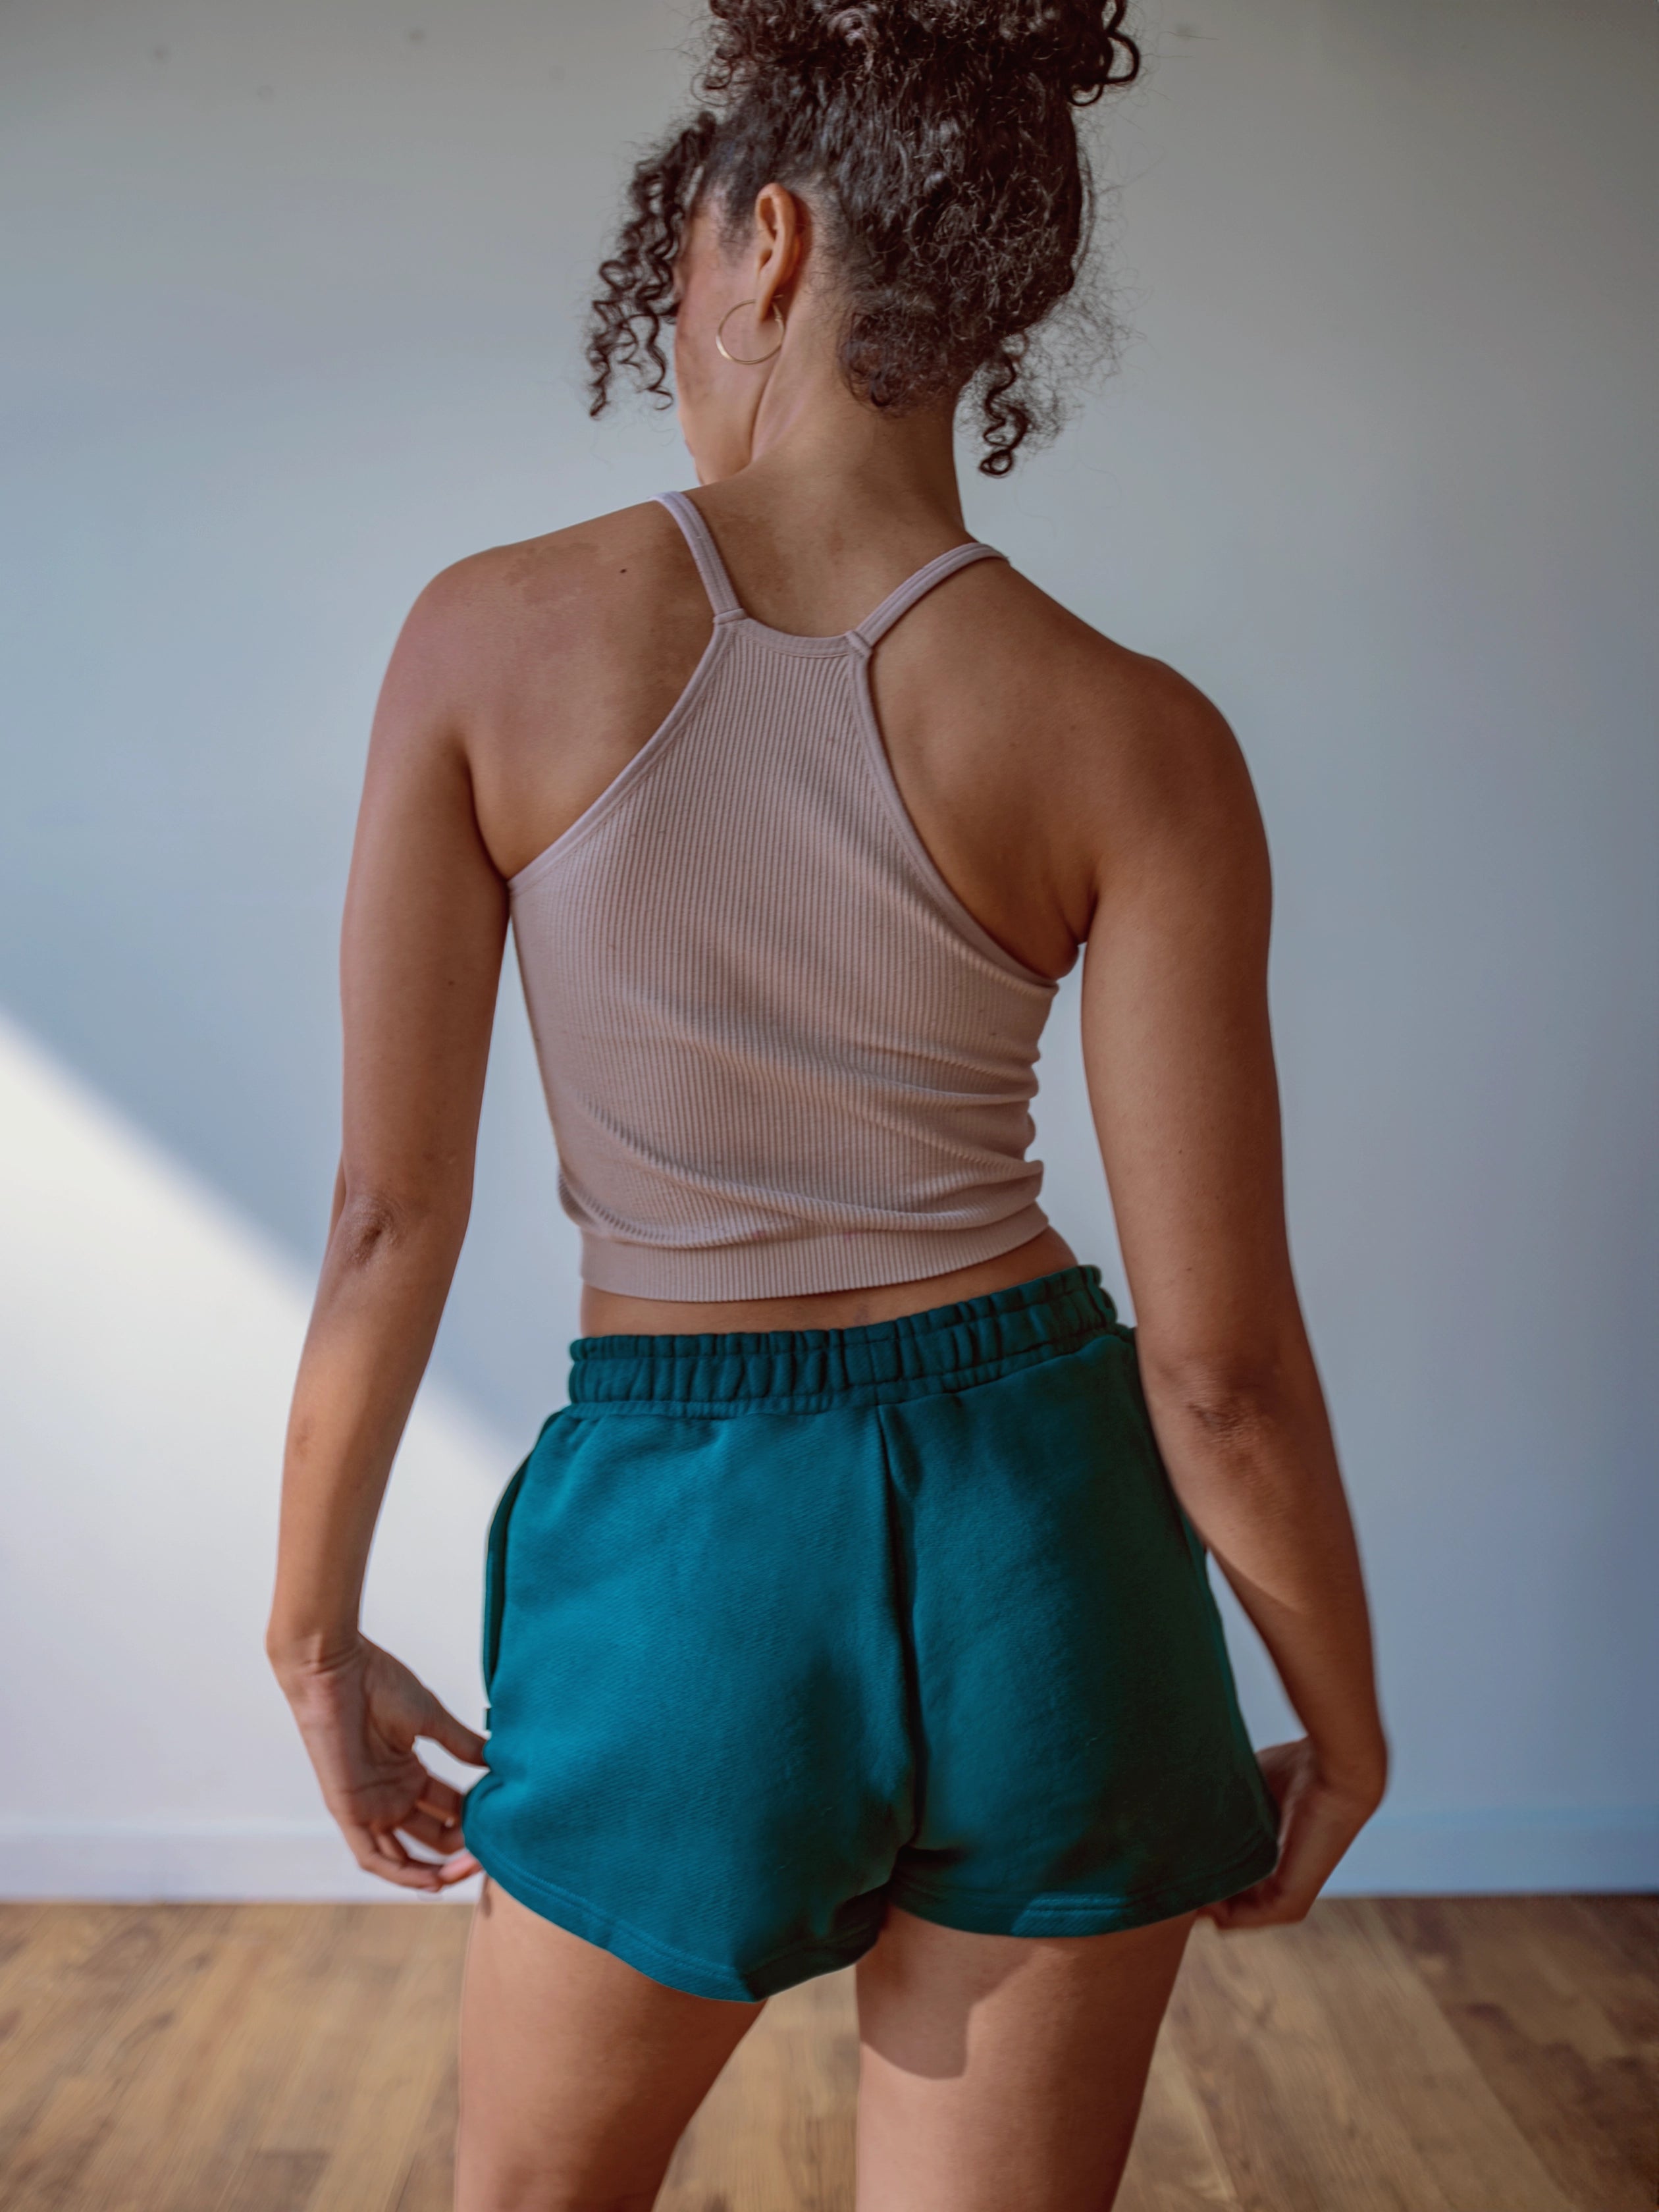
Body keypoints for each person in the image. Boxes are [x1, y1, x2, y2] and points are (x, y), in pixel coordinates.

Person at [266, 2, 1388, 2204]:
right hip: (1047, 1533)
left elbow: (390, 1216)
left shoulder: (490, 639)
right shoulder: (1137, 732)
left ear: (763, 243)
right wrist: (1339, 1710)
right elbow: (1223, 1366)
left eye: (685, 263)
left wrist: (314, 1635)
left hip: (689, 1538)